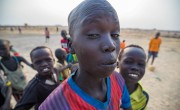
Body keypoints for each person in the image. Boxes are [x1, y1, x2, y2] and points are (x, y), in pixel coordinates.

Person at [39, 0, 132, 110]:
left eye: (115, 35)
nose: (111, 45)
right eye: (93, 35)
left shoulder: (118, 80)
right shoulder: (54, 106)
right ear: (71, 45)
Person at [118, 44, 149, 110]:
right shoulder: (104, 86)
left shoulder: (143, 97)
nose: (135, 67)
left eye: (141, 64)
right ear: (118, 64)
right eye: (128, 62)